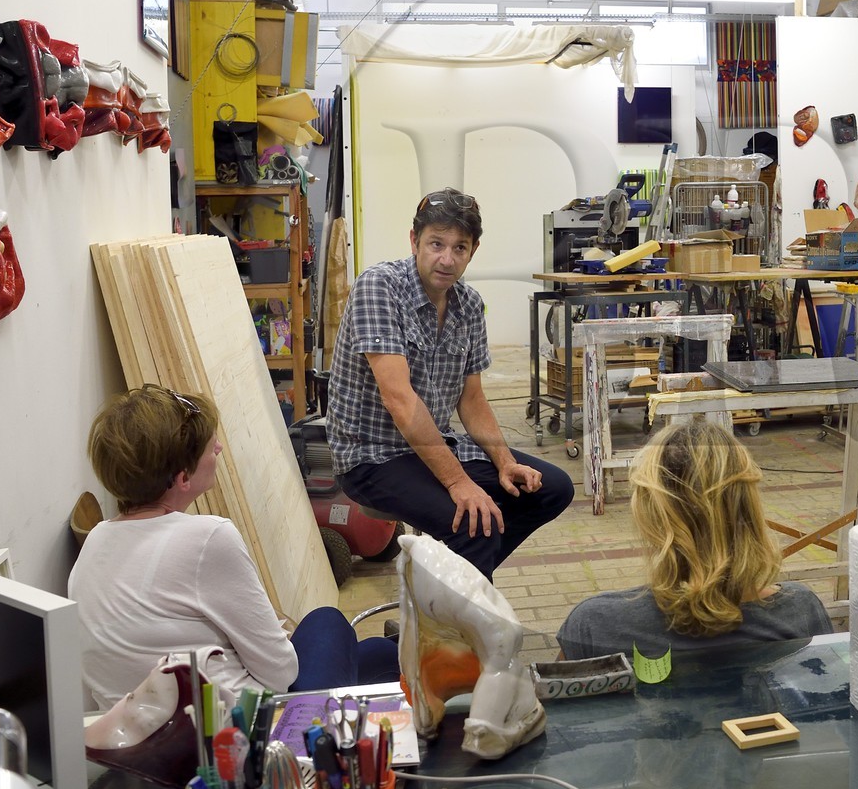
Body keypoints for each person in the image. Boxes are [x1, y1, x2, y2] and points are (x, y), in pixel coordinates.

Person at [69, 384, 399, 707]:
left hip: (133, 726)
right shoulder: (207, 538)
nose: (218, 448)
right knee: (327, 621)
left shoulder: (97, 538)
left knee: (380, 654)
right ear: (183, 478)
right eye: (208, 447)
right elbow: (281, 673)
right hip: (239, 728)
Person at [327, 188, 574, 580]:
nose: (447, 259)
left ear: (473, 251)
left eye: (460, 247)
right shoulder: (379, 287)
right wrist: (459, 483)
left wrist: (506, 462)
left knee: (553, 489)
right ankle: (456, 606)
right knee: (476, 528)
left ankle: (447, 586)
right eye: (436, 244)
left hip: (433, 443)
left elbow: (471, 399)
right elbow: (399, 399)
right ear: (414, 241)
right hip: (371, 456)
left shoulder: (469, 305)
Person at [556, 421, 832, 660]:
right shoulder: (800, 610)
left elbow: (555, 702)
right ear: (750, 509)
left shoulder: (595, 626)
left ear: (652, 516)